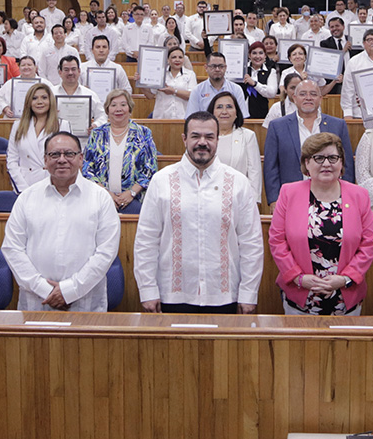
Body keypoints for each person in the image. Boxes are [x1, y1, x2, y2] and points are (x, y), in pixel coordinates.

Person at [134, 112, 263, 314]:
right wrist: (147, 289)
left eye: (209, 137)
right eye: (195, 136)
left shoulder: (238, 183)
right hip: (173, 295)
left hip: (224, 296)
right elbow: (146, 240)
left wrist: (248, 293)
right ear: (184, 139)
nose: (202, 142)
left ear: (218, 140)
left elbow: (251, 243)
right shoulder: (162, 180)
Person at [3, 132, 122, 311]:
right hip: (37, 301)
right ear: (45, 160)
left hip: (85, 303)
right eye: (54, 154)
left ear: (81, 159)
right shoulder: (27, 198)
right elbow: (12, 248)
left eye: (69, 154)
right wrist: (43, 288)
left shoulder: (100, 198)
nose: (62, 159)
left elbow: (106, 252)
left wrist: (70, 291)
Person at [268, 132, 373, 315]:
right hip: (301, 295)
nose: (326, 164)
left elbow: (369, 243)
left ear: (341, 163)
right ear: (306, 163)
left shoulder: (359, 195)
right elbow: (277, 241)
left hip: (345, 296)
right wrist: (298, 277)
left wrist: (345, 278)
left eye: (333, 158)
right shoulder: (288, 192)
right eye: (318, 158)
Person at [263, 79, 355, 204]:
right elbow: (271, 167)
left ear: (320, 98)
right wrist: (274, 200)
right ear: (294, 98)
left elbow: (347, 164)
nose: (308, 98)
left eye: (313, 94)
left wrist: (347, 195)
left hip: (332, 197)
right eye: (303, 94)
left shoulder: (338, 125)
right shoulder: (277, 127)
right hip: (291, 198)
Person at [81, 90, 158, 211]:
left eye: (123, 104)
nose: (118, 109)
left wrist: (131, 192)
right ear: (107, 110)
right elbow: (87, 169)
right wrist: (106, 193)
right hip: (101, 197)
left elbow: (150, 168)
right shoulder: (97, 134)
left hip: (134, 199)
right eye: (113, 105)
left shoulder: (143, 133)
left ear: (129, 108)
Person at [8, 83, 72, 192]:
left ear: (50, 100)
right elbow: (12, 160)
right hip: (25, 185)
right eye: (34, 98)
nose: (39, 102)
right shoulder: (17, 126)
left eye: (44, 98)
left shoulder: (62, 125)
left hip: (54, 185)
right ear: (29, 102)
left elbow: (67, 158)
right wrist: (22, 188)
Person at [209, 91, 262, 199]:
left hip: (239, 198)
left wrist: (253, 200)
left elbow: (254, 172)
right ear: (212, 112)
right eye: (219, 107)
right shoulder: (203, 137)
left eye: (229, 107)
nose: (224, 111)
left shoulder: (248, 136)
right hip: (208, 197)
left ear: (236, 112)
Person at [240, 41, 278, 119]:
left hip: (261, 113)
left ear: (265, 56)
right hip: (241, 113)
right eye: (254, 53)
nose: (257, 56)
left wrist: (255, 84)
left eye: (261, 53)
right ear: (249, 55)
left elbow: (272, 93)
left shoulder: (271, 71)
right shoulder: (241, 70)